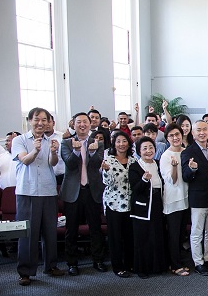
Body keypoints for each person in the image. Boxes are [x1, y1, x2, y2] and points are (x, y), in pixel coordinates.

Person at [11, 108, 64, 286]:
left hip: (48, 190)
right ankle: (25, 272)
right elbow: (25, 160)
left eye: (44, 120)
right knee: (28, 233)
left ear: (49, 122)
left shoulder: (52, 140)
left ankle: (51, 266)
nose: (40, 123)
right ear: (29, 120)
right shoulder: (19, 140)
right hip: (27, 190)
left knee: (50, 231)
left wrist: (54, 152)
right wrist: (35, 150)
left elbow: (52, 163)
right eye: (36, 119)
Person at [59, 112, 107, 275]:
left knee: (95, 228)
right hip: (73, 192)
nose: (82, 125)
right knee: (71, 229)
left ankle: (98, 260)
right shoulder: (66, 143)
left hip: (92, 190)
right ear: (73, 124)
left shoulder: (97, 142)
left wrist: (92, 153)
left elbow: (96, 165)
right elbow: (70, 164)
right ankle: (72, 263)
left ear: (90, 124)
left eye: (85, 121)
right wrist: (76, 151)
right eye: (78, 122)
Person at [181, 120, 208, 276]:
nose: (202, 133)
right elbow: (185, 176)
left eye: (205, 129)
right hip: (198, 198)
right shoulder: (188, 152)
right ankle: (198, 262)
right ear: (193, 133)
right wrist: (192, 169)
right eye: (199, 130)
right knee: (197, 232)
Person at [129, 136, 166, 278]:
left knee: (156, 235)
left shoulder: (158, 163)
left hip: (157, 203)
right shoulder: (135, 167)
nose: (148, 151)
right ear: (139, 151)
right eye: (144, 148)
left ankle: (157, 267)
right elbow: (135, 189)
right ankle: (142, 269)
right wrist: (144, 180)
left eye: (151, 147)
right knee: (143, 238)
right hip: (142, 208)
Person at [101, 131, 135, 278]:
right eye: (118, 141)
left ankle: (129, 264)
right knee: (115, 237)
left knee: (129, 236)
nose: (121, 144)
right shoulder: (108, 160)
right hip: (114, 203)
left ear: (129, 143)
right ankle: (118, 267)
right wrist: (106, 171)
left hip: (130, 204)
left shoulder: (133, 160)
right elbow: (106, 182)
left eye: (124, 141)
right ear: (114, 144)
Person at [159, 123, 190, 277]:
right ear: (167, 138)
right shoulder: (166, 156)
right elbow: (172, 180)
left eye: (177, 134)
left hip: (186, 198)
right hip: (173, 199)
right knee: (173, 233)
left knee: (181, 234)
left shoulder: (185, 152)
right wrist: (174, 167)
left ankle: (179, 261)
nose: (175, 137)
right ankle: (175, 265)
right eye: (171, 135)